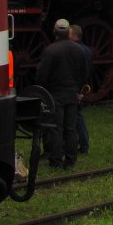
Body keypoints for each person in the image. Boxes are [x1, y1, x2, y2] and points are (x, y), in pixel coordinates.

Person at [36, 18, 88, 169]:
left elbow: (42, 75)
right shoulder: (78, 50)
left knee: (56, 128)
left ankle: (56, 160)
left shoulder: (50, 50)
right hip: (72, 94)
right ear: (67, 32)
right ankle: (71, 160)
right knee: (70, 128)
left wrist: (43, 91)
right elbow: (84, 73)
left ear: (55, 32)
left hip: (56, 95)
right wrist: (78, 89)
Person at [68, 23, 93, 153]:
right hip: (80, 86)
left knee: (76, 115)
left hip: (74, 87)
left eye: (69, 33)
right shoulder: (87, 50)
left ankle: (83, 144)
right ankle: (83, 143)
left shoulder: (76, 50)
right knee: (77, 114)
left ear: (74, 35)